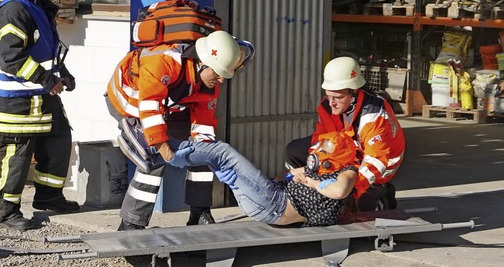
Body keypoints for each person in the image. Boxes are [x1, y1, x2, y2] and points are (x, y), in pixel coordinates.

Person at [105, 30, 255, 230]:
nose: (221, 80)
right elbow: (149, 109)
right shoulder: (163, 62)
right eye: (218, 73)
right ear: (202, 62)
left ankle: (200, 212)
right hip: (129, 103)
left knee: (202, 152)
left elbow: (204, 125)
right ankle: (131, 223)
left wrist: (209, 154)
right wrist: (167, 153)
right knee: (154, 157)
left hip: (166, 107)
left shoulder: (208, 82)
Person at [0, 0, 80, 231]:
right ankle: (5, 210)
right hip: (15, 101)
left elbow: (45, 51)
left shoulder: (34, 7)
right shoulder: (13, 11)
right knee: (16, 154)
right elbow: (12, 57)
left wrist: (62, 73)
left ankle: (49, 197)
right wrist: (47, 80)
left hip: (39, 95)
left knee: (59, 140)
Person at [122, 122, 360, 227]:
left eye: (326, 151)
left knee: (223, 153)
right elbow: (292, 172)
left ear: (340, 158)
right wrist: (294, 176)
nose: (319, 153)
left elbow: (339, 191)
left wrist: (309, 180)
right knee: (221, 163)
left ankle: (161, 147)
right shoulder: (322, 173)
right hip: (270, 200)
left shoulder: (347, 173)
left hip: (274, 204)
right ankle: (156, 148)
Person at [285, 56, 405, 212]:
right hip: (347, 154)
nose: (331, 103)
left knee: (356, 210)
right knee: (294, 150)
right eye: (328, 95)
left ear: (354, 92)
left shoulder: (374, 115)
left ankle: (382, 195)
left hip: (375, 165)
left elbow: (375, 161)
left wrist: (350, 190)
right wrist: (315, 170)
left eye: (338, 97)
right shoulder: (327, 107)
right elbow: (320, 141)